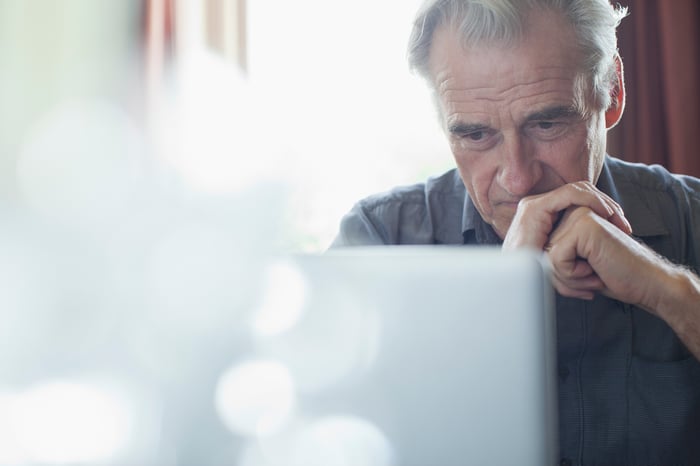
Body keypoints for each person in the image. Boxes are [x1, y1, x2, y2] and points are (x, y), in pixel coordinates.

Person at [331, 0, 700, 464]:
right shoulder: (378, 240)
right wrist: (501, 302)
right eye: (476, 135)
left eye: (547, 123)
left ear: (612, 90)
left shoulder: (691, 217)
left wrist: (665, 289)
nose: (519, 180)